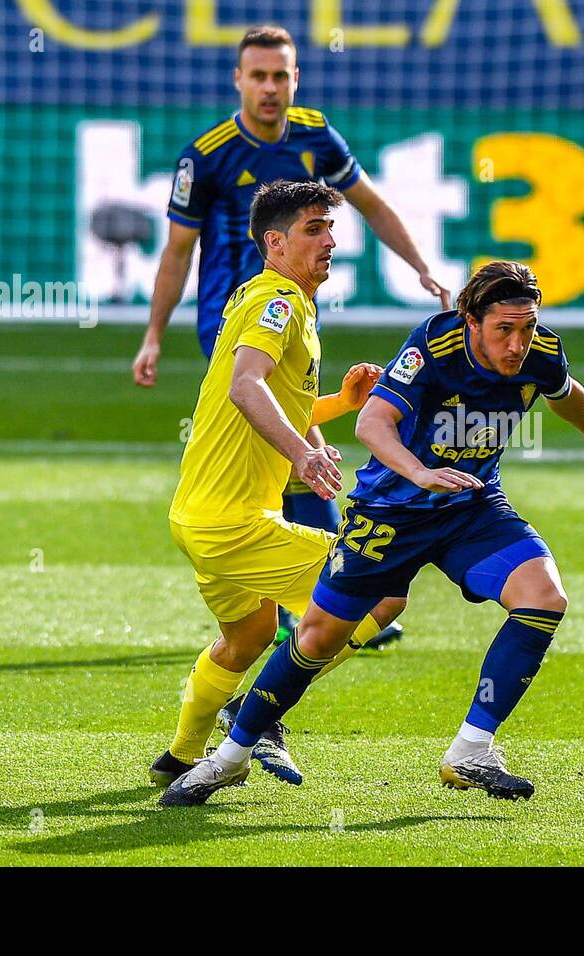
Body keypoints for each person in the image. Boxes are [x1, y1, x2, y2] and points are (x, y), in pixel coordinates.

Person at [161, 260, 584, 806]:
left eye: (526, 327)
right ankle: (228, 758)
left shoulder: (539, 350)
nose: (518, 343)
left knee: (544, 598)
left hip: (470, 506)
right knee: (317, 637)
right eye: (505, 330)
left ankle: (470, 750)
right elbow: (370, 423)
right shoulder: (432, 347)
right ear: (470, 320)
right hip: (390, 514)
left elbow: (565, 391)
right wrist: (420, 472)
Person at [134, 23, 444, 645]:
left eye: (281, 75)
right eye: (259, 76)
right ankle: (325, 596)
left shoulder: (314, 135)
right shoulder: (208, 153)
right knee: (293, 439)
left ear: (295, 79)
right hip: (234, 317)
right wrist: (153, 334)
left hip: (296, 310)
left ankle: (303, 597)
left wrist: (421, 266)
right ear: (239, 81)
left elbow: (373, 206)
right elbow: (176, 252)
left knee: (297, 439)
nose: (270, 88)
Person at [150, 179, 407, 788]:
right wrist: (302, 455)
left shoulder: (270, 296)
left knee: (249, 637)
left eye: (330, 228)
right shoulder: (280, 304)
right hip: (234, 523)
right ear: (275, 242)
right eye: (313, 230)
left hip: (198, 516)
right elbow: (246, 387)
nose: (330, 241)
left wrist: (339, 405)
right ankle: (259, 715)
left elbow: (270, 398)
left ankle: (181, 756)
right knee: (382, 589)